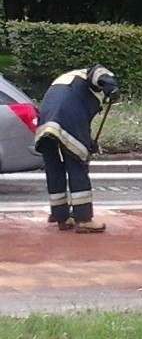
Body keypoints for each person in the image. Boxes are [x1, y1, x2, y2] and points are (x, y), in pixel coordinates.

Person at [34, 65, 120, 233]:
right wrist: (111, 86)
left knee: (54, 169)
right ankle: (83, 218)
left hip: (44, 124)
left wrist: (88, 141)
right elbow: (99, 72)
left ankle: (60, 216)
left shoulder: (67, 80)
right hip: (67, 121)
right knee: (77, 165)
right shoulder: (90, 75)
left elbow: (79, 117)